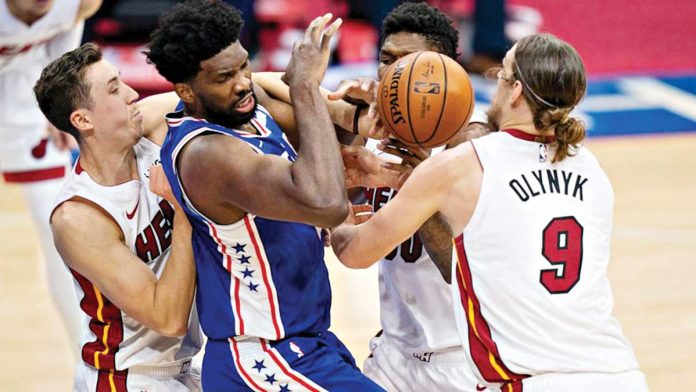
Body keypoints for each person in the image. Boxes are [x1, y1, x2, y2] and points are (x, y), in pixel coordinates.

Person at [331, 33, 649, 392]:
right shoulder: (593, 171)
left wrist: (337, 211)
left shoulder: (462, 166)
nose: (494, 81)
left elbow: (355, 253)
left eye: (501, 74)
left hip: (534, 380)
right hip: (619, 373)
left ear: (515, 92)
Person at [145, 1, 383, 390]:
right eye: (225, 77)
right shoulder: (206, 155)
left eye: (243, 66)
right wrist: (304, 85)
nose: (242, 83)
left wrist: (353, 118)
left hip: (307, 342)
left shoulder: (248, 110)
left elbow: (321, 157)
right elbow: (326, 204)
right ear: (186, 90)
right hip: (263, 358)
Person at [317, 2, 492, 391]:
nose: (392, 75)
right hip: (394, 356)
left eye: (408, 62)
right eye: (386, 60)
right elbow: (341, 222)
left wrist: (418, 188)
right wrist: (347, 129)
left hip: (466, 357)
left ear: (446, 71)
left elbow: (468, 277)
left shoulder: (477, 149)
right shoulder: (377, 131)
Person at [34, 43, 203, 391]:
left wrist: (329, 103)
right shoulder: (78, 217)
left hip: (183, 367)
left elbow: (225, 95)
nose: (132, 93)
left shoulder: (149, 125)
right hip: (127, 379)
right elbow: (167, 317)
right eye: (114, 89)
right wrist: (185, 205)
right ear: (83, 119)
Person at [0, 0, 102, 350]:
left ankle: (88, 360)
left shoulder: (80, 3)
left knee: (63, 235)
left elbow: (63, 42)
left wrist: (59, 102)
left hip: (22, 104)